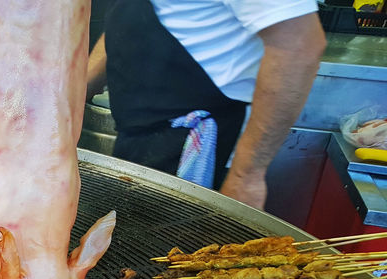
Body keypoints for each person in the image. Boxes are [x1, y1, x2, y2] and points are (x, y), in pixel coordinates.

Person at [86, 0, 327, 210]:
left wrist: (245, 177)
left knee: (180, 252)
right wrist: (72, 98)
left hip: (199, 149)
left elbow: (299, 46)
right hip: (139, 139)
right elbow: (127, 23)